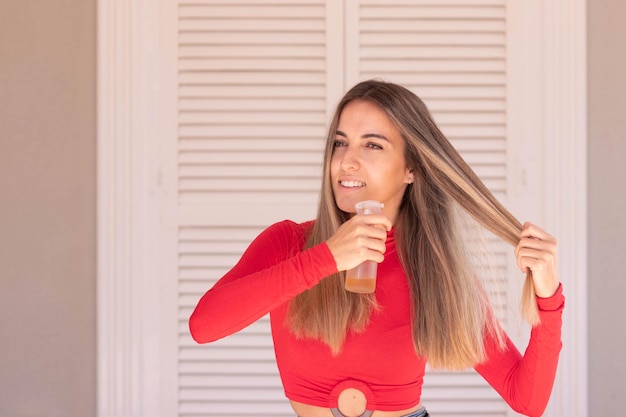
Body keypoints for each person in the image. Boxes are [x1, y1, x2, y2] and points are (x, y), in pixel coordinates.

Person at [189, 80, 564, 417]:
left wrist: (548, 300)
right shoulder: (289, 244)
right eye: (340, 143)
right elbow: (204, 326)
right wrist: (327, 258)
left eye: (372, 144)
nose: (346, 161)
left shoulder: (435, 272)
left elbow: (527, 400)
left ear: (411, 168)